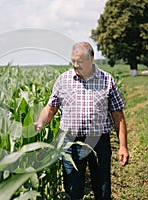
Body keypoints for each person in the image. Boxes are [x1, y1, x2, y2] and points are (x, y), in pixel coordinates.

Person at [34, 42, 129, 199]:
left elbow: (118, 116)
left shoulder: (107, 80)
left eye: (80, 61)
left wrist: (123, 146)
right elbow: (51, 108)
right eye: (73, 61)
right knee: (72, 191)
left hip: (99, 142)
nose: (76, 65)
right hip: (70, 143)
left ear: (91, 59)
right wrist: (39, 123)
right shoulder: (63, 80)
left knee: (103, 189)